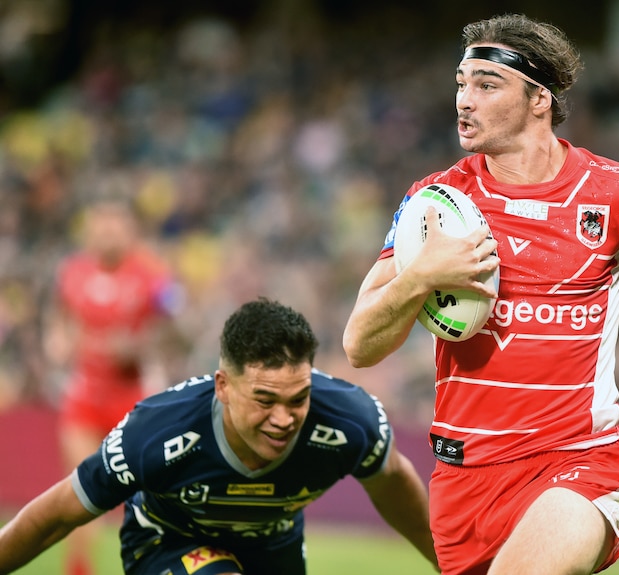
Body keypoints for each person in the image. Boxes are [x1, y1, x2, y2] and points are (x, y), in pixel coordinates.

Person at [342, 13, 619, 575]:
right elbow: (360, 344)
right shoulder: (434, 205)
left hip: (578, 463)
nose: (464, 100)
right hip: (462, 481)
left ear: (539, 99)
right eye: (461, 83)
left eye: (486, 85)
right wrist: (418, 276)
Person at [2, 297, 438, 574]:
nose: (284, 419)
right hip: (168, 540)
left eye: (298, 399)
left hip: (273, 545)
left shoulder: (349, 421)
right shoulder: (155, 432)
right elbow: (55, 515)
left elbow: (398, 489)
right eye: (265, 401)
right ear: (223, 386)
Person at [42, 196, 185, 575]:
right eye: (100, 225)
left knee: (147, 495)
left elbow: (176, 328)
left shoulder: (153, 276)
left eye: (115, 225)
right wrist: (56, 341)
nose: (107, 232)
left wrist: (139, 345)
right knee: (80, 491)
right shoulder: (72, 272)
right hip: (84, 397)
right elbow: (59, 318)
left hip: (135, 398)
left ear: (130, 230)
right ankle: (78, 570)